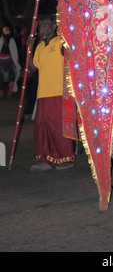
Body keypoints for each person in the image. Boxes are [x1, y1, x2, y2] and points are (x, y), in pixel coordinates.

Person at [27, 14, 75, 172]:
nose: (43, 29)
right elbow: (33, 69)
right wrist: (29, 49)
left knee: (58, 127)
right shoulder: (40, 47)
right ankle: (45, 159)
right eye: (41, 26)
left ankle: (65, 158)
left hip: (58, 93)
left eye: (47, 25)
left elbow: (69, 53)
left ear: (55, 26)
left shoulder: (60, 42)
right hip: (42, 94)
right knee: (42, 127)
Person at [0, 26, 21, 98]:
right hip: (1, 62)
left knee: (12, 76)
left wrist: (16, 61)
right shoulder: (0, 40)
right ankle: (1, 93)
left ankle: (10, 92)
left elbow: (14, 52)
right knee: (1, 78)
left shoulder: (11, 40)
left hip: (9, 61)